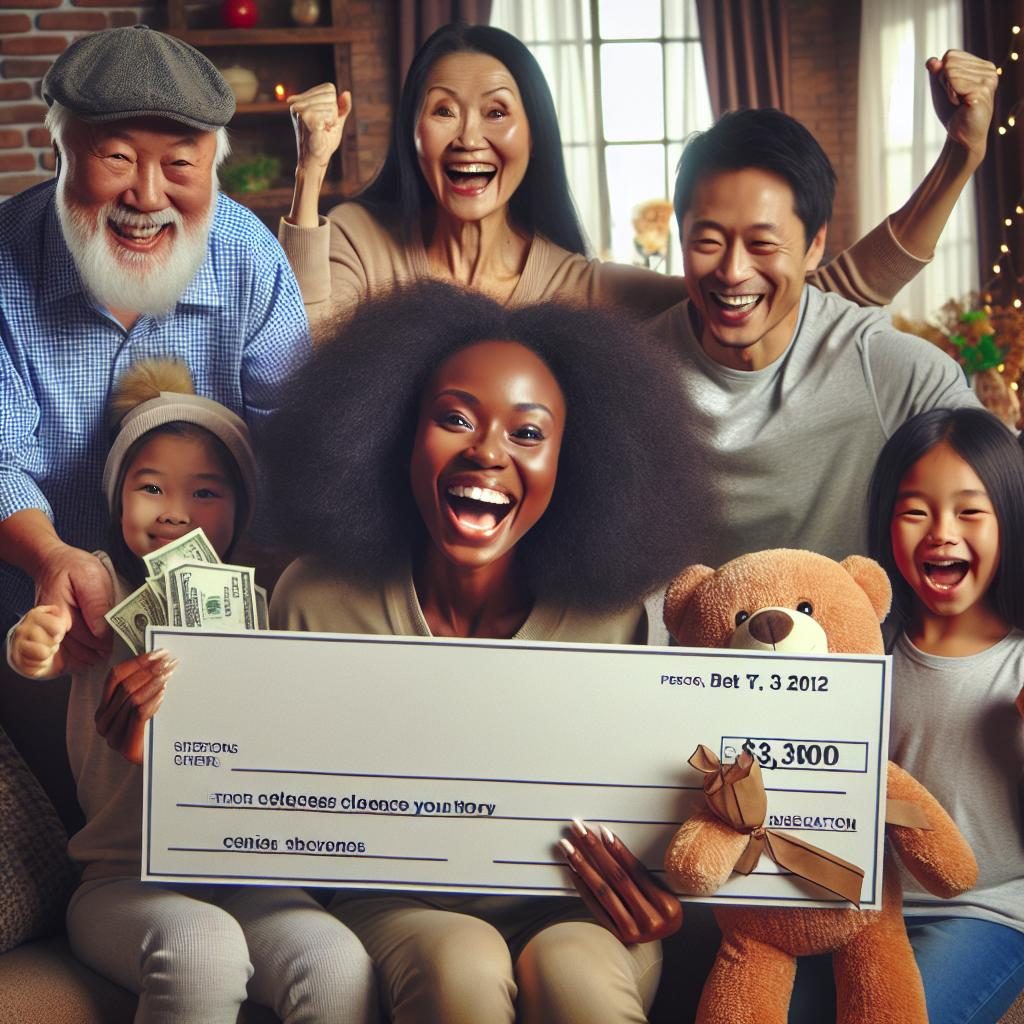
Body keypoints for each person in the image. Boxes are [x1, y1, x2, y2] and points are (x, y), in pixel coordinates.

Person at [268, 281, 694, 1024]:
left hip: (580, 911)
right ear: (398, 435)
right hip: (397, 906)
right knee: (459, 960)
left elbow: (650, 807)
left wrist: (661, 894)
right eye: (455, 419)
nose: (488, 451)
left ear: (573, 460)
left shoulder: (617, 617)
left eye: (527, 433)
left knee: (577, 976)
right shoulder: (316, 599)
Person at [6, 359, 377, 1024]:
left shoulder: (268, 610)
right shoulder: (100, 592)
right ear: (118, 499)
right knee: (205, 950)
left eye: (205, 493)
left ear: (242, 512)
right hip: (124, 877)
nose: (174, 513)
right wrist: (36, 639)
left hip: (250, 874)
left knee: (337, 962)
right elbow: (51, 636)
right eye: (150, 487)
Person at [280, 23, 995, 330]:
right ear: (412, 129)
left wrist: (958, 161)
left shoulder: (583, 289)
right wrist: (311, 178)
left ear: (535, 136)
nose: (470, 136)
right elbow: (300, 362)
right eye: (443, 111)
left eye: (498, 112)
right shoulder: (356, 240)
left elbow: (808, 298)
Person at [0, 25, 310, 667]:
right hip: (37, 617)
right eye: (116, 158)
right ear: (60, 152)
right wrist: (51, 559)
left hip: (214, 626)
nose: (146, 196)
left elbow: (294, 440)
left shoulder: (248, 255)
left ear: (213, 166)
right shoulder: (4, 259)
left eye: (180, 165)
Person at [651, 105, 982, 571]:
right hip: (684, 641)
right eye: (707, 242)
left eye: (763, 244)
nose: (732, 272)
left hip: (849, 639)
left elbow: (998, 485)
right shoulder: (636, 368)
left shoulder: (875, 364)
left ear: (815, 246)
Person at [855, 407, 1023, 1023]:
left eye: (971, 512)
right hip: (860, 905)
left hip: (986, 910)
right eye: (915, 511)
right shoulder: (862, 648)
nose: (942, 533)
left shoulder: (1018, 663)